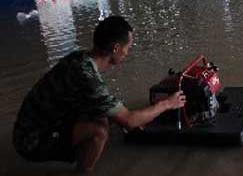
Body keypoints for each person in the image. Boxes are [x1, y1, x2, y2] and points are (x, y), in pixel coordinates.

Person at [13, 16, 186, 172]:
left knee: (105, 115)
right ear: (116, 48)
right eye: (128, 47)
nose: (128, 52)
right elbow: (129, 121)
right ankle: (84, 172)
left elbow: (102, 105)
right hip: (30, 140)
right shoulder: (87, 77)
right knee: (99, 131)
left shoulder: (80, 59)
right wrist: (168, 103)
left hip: (36, 124)